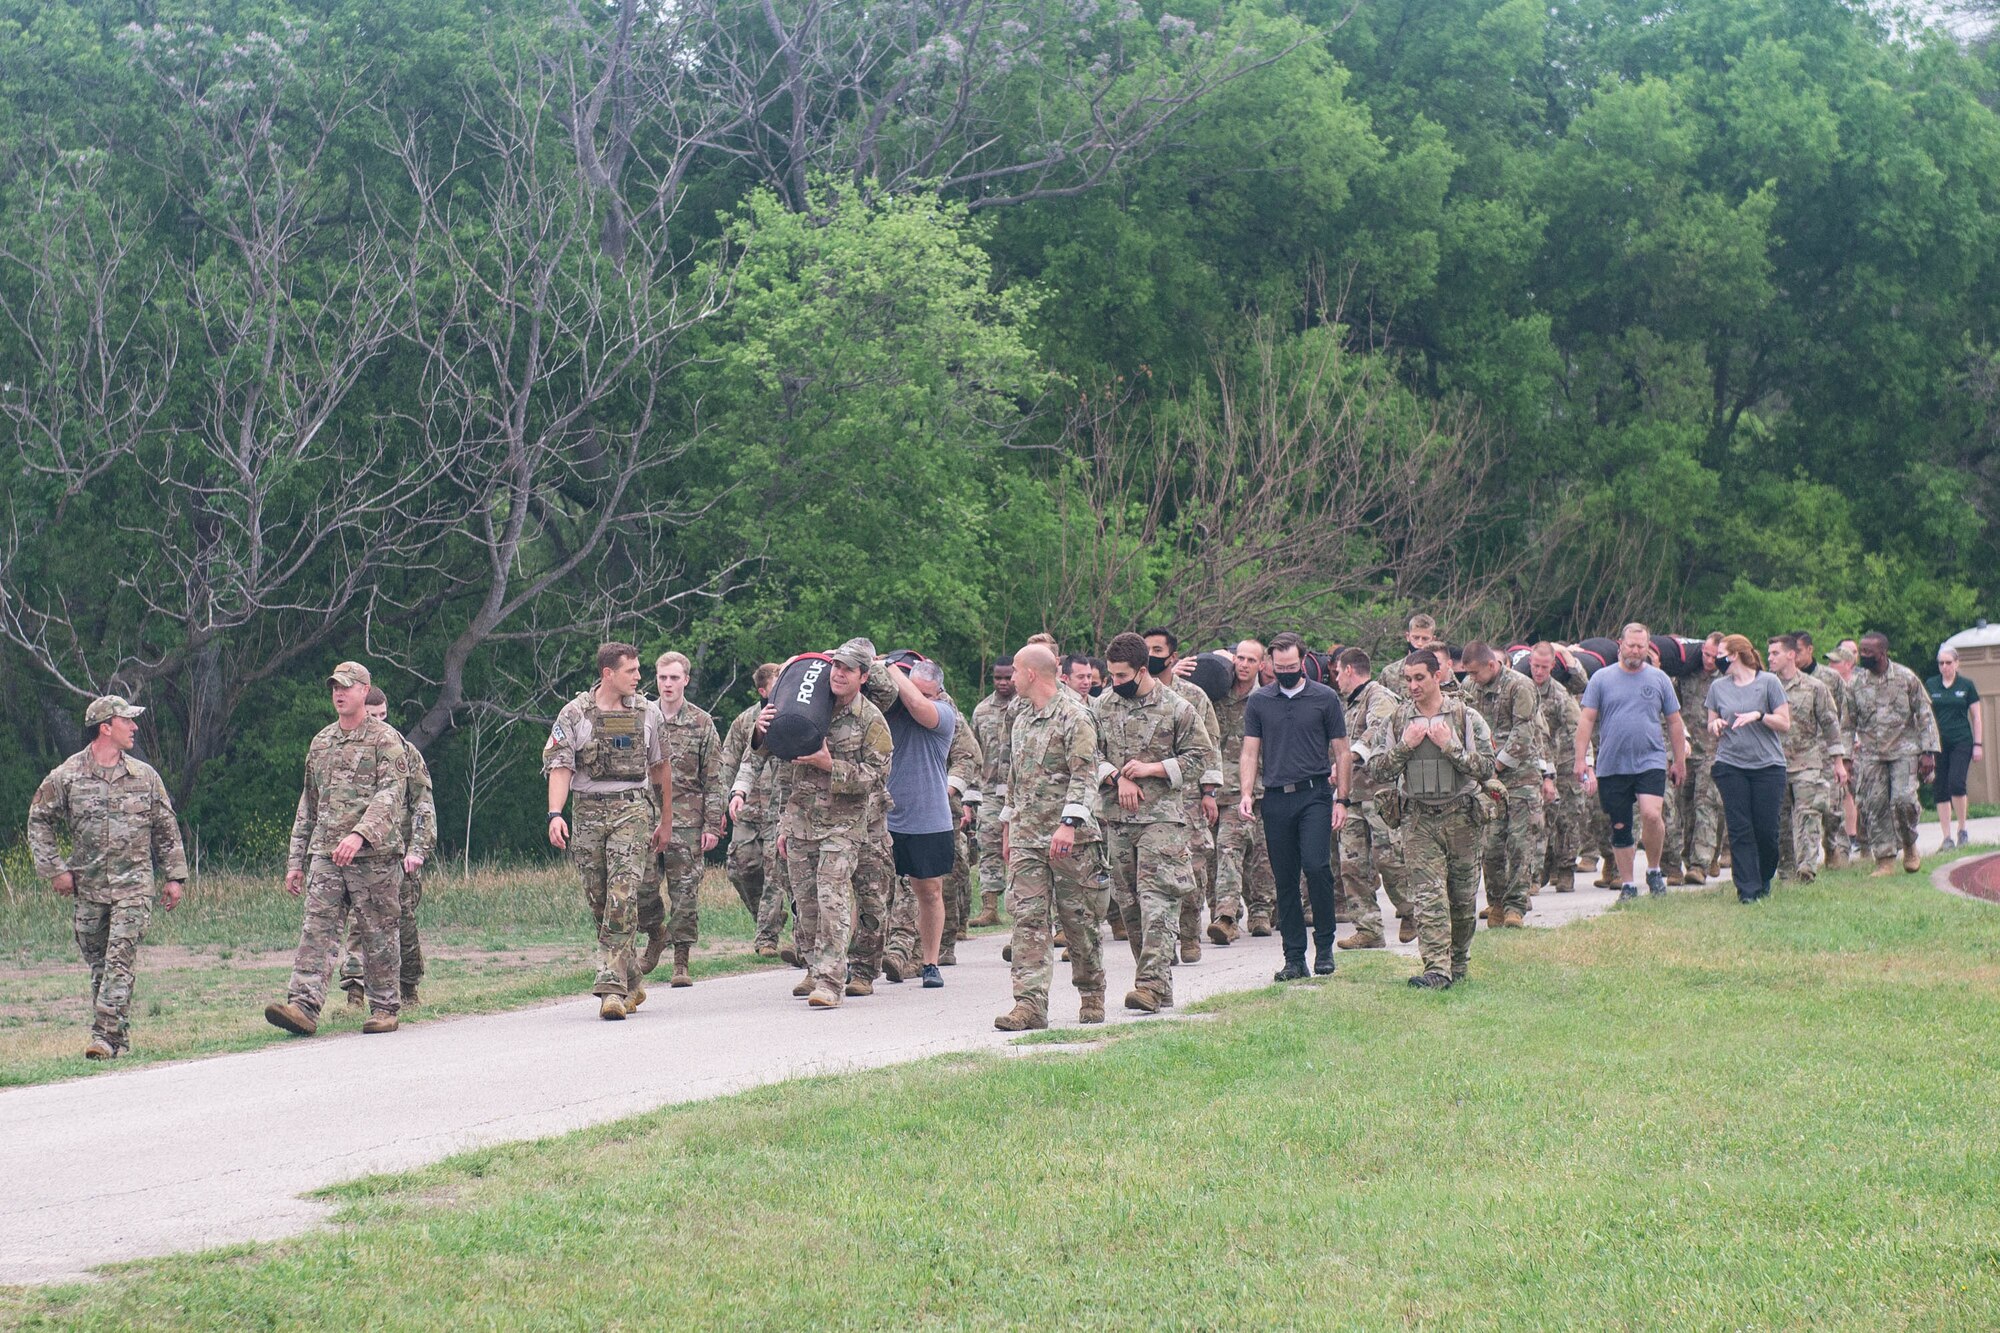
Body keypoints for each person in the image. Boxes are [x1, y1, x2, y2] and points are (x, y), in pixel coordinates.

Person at [28, 695, 188, 1060]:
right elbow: (39, 820)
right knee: (100, 965)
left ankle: (102, 1036)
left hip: (134, 888)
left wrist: (174, 877)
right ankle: (118, 1041)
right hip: (89, 889)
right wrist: (55, 869)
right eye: (127, 721)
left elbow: (166, 828)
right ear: (105, 727)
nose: (134, 727)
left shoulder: (144, 776)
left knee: (120, 959)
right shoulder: (66, 776)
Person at [266, 662, 415, 1036]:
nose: (339, 692)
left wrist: (360, 834)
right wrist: (296, 861)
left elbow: (392, 794)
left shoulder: (385, 740)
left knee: (378, 932)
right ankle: (303, 1007)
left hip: (374, 856)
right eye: (335, 686)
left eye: (347, 686)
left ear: (365, 690)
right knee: (317, 929)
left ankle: (384, 1008)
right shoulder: (321, 742)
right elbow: (309, 804)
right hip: (327, 855)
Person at [542, 644, 673, 1021]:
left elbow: (661, 768)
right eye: (630, 670)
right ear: (607, 673)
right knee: (600, 900)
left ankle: (610, 988)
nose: (637, 676)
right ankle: (631, 978)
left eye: (637, 670)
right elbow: (560, 767)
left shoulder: (648, 714)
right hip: (587, 811)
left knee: (621, 894)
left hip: (631, 809)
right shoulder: (575, 714)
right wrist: (555, 814)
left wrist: (666, 821)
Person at [1361, 650, 1495, 989]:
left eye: (1419, 677)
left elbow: (1486, 769)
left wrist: (1450, 747)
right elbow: (1376, 770)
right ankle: (1436, 969)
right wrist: (1405, 747)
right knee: (1428, 897)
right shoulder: (1397, 720)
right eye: (1407, 679)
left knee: (1462, 901)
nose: (1413, 685)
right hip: (1418, 819)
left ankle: (1459, 962)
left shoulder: (1466, 718)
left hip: (1461, 817)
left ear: (1438, 676)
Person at [994, 644, 1109, 1030]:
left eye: (1015, 670)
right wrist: (1009, 826)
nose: (1010, 677)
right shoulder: (1022, 716)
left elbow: (1085, 774)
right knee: (1027, 919)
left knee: (1078, 922)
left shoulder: (1076, 716)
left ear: (1030, 674)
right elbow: (1016, 777)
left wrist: (1069, 824)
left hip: (1072, 840)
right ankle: (1029, 1005)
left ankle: (1091, 992)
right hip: (1028, 837)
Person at [776, 638, 894, 1008]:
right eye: (835, 666)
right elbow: (775, 759)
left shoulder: (870, 719)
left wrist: (831, 766)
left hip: (843, 826)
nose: (838, 674)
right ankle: (815, 967)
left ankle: (831, 980)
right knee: (807, 904)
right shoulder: (810, 704)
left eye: (847, 669)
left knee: (833, 898)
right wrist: (764, 730)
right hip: (800, 820)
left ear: (862, 676)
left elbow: (875, 777)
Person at [1093, 631, 1206, 1012]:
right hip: (1119, 820)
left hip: (1161, 820)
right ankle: (1159, 981)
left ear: (1143, 670)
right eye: (1111, 675)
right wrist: (1116, 776)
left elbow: (1200, 758)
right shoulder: (1102, 706)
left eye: (1122, 676)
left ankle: (1150, 986)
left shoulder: (1177, 707)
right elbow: (1087, 753)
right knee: (1129, 905)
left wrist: (1154, 769)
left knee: (1157, 899)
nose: (1115, 683)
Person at [1238, 632, 1350, 981]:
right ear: (1270, 664)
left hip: (1315, 794)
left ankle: (1325, 946)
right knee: (1284, 878)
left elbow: (1342, 750)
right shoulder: (1259, 702)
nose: (1284, 671)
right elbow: (1250, 751)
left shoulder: (1325, 698)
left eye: (1291, 666)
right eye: (1278, 666)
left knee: (1317, 868)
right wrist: (1245, 792)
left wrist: (1343, 799)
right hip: (1275, 797)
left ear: (1303, 662)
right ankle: (1294, 957)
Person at [337, 688, 436, 1009]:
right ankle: (354, 994)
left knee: (402, 922)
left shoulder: (405, 753)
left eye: (383, 715)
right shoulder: (344, 752)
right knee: (358, 924)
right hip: (357, 853)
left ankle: (408, 989)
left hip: (398, 855)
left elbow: (423, 805)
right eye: (373, 715)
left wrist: (417, 849)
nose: (380, 722)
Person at [1574, 624, 1689, 900]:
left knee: (1651, 814)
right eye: (1632, 645)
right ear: (1620, 645)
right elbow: (1586, 719)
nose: (1636, 651)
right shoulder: (1601, 679)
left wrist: (1679, 761)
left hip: (1650, 759)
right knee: (1620, 825)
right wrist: (1581, 760)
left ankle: (1653, 869)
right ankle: (1627, 883)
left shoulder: (1659, 679)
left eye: (1641, 646)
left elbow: (1674, 722)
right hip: (1612, 763)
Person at [638, 652, 724, 987]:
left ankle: (681, 960)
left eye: (674, 678)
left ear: (686, 679)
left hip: (688, 815)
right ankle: (656, 932)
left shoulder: (701, 723)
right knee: (643, 886)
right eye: (662, 678)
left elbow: (714, 777)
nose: (668, 684)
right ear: (655, 679)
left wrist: (713, 825)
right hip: (646, 813)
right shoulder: (642, 717)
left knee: (685, 890)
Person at [875, 657, 957, 989]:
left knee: (929, 891)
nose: (914, 698)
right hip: (885, 816)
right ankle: (860, 962)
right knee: (869, 891)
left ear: (937, 693)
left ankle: (930, 963)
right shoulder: (887, 711)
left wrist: (892, 668)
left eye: (926, 692)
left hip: (928, 818)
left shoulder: (943, 715)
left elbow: (918, 705)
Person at [1145, 627, 1224, 964]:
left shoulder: (1192, 696)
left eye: (1157, 649)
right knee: (1151, 874)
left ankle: (1190, 934)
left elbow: (1210, 747)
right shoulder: (1128, 695)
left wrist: (1209, 792)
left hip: (1187, 797)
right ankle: (1162, 945)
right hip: (1147, 799)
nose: (1150, 655)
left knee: (1192, 867)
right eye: (1145, 648)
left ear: (1173, 656)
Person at [1463, 642, 1551, 928]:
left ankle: (1515, 905)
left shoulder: (1520, 686)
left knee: (1518, 842)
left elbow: (1523, 732)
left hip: (1520, 776)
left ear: (1492, 665)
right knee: (1491, 845)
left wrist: (1495, 766)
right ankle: (1497, 902)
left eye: (1476, 672)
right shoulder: (1470, 686)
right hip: (1487, 778)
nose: (1472, 678)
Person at [1333, 648, 1412, 947]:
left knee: (1389, 858)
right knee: (1351, 864)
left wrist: (1350, 756)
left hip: (1380, 794)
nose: (1337, 678)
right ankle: (1368, 928)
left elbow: (1378, 730)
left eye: (1339, 672)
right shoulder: (1346, 705)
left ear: (1350, 670)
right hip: (1351, 795)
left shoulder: (1379, 696)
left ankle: (1411, 910)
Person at [1704, 635, 1792, 903]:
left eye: (1721, 653)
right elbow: (1711, 722)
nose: (1716, 658)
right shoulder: (1718, 687)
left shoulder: (1768, 683)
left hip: (1768, 766)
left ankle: (1764, 876)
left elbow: (1785, 722)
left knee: (1766, 830)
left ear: (1736, 654)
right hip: (1731, 764)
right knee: (1740, 828)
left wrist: (1759, 716)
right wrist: (1716, 726)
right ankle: (1747, 890)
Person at [1847, 632, 1939, 876]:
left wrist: (1928, 751)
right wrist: (1845, 758)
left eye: (1868, 651)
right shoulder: (1856, 683)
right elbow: (1847, 723)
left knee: (1903, 800)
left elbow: (1924, 714)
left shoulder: (1905, 677)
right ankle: (1885, 859)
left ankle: (1909, 844)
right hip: (1870, 754)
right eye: (1861, 650)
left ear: (1883, 653)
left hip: (1904, 750)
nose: (1863, 655)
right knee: (1874, 805)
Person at [1208, 638, 1276, 941]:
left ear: (1261, 664)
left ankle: (1253, 912)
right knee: (1222, 852)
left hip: (1255, 787)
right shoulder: (1215, 694)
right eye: (1240, 658)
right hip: (1218, 788)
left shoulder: (1267, 699)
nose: (1244, 665)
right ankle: (1226, 913)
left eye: (1251, 660)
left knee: (1254, 853)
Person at [1768, 635, 1847, 884]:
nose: (1769, 658)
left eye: (1775, 654)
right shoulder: (1766, 686)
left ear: (1791, 655)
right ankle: (1786, 872)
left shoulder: (1815, 687)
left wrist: (1838, 762)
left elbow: (1830, 724)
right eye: (1769, 654)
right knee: (1780, 822)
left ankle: (1807, 869)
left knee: (1807, 815)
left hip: (1807, 762)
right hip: (1774, 763)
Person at [722, 664, 785, 956]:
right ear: (762, 691)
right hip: (747, 808)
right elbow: (729, 762)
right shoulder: (744, 721)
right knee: (740, 868)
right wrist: (723, 804)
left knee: (775, 872)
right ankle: (767, 918)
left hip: (778, 808)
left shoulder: (792, 716)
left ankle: (766, 938)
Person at [1668, 634, 1726, 884]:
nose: (1710, 660)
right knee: (1686, 807)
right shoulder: (1685, 676)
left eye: (1715, 656)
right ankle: (1693, 856)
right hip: (1687, 751)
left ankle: (1700, 864)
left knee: (1707, 805)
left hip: (1714, 752)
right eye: (1706, 654)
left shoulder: (1725, 681)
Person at [1527, 644, 1585, 892]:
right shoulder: (1523, 688)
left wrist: (1585, 762)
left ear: (1552, 666)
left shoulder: (1560, 694)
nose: (1539, 671)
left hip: (1564, 761)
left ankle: (1566, 869)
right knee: (1539, 819)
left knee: (1569, 818)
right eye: (1535, 666)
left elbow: (1578, 727)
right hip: (1538, 763)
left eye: (1544, 667)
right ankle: (1536, 872)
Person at [969, 658, 1018, 929]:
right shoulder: (982, 711)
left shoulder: (1026, 706)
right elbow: (974, 752)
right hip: (989, 791)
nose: (1002, 682)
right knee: (988, 846)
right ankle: (989, 906)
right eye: (997, 678)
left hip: (1019, 790)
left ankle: (1020, 906)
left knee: (1019, 849)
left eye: (1007, 677)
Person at [1927, 647, 1982, 848]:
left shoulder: (1966, 685)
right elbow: (1926, 715)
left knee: (1956, 783)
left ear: (1957, 663)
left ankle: (1962, 828)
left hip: (1961, 740)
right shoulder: (1932, 684)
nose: (1945, 667)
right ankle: (1947, 836)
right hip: (1938, 743)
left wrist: (1978, 744)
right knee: (1940, 786)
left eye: (1949, 662)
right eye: (1941, 663)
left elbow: (1976, 716)